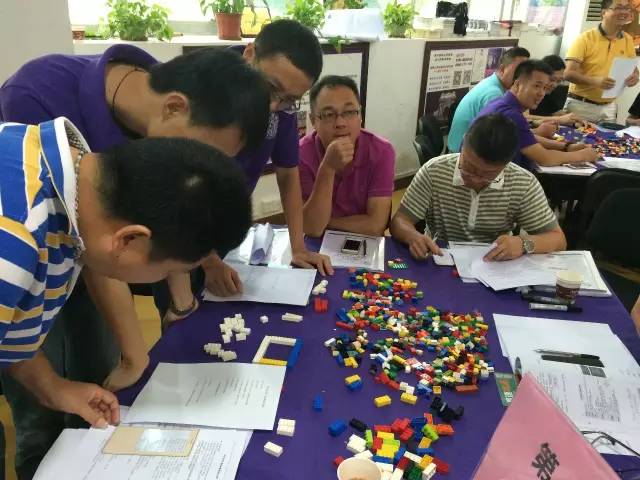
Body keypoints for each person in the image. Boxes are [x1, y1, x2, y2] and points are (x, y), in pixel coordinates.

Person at [0, 47, 270, 479]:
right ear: (129, 240)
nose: (166, 279)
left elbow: (12, 331)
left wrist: (53, 387)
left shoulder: (68, 187)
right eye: (166, 272)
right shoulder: (14, 246)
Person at [162, 19, 335, 312]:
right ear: (250, 53)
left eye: (288, 100)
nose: (273, 106)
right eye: (271, 88)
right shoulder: (200, 89)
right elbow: (176, 190)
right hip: (176, 229)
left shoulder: (282, 103)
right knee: (183, 310)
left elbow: (287, 174)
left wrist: (298, 246)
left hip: (222, 226)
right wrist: (208, 261)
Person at [390, 114, 567, 261]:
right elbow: (400, 221)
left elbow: (558, 240)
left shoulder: (523, 183)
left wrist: (523, 244)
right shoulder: (434, 171)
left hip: (494, 263)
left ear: (506, 164)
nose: (474, 179)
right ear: (463, 144)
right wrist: (413, 236)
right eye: (468, 167)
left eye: (487, 174)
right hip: (439, 257)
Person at [299, 75, 395, 237]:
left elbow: (375, 225)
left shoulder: (382, 151)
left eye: (349, 112)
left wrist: (326, 223)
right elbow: (312, 229)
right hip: (318, 244)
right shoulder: (300, 154)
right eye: (328, 114)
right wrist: (328, 168)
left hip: (365, 242)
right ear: (313, 120)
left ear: (360, 115)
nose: (340, 123)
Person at [475, 60, 598, 172]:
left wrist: (566, 146)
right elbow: (545, 158)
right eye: (536, 86)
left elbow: (525, 137)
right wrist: (583, 155)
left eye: (544, 88)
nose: (541, 93)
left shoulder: (501, 103)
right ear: (517, 84)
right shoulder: (511, 115)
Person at [563, 0, 639, 123]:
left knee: (610, 136)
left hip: (609, 107)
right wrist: (594, 81)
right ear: (603, 12)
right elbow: (568, 74)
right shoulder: (585, 38)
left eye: (627, 8)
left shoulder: (628, 39)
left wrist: (635, 77)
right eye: (618, 8)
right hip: (581, 106)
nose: (624, 12)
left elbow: (633, 69)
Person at [447, 47, 530, 153]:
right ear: (502, 69)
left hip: (465, 146)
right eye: (518, 72)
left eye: (526, 73)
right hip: (463, 153)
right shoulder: (494, 94)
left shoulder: (491, 82)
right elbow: (504, 134)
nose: (522, 78)